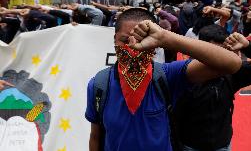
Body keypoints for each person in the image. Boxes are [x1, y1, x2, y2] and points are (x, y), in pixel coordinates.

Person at [85, 8, 242, 151]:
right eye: (125, 41)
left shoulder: (168, 75)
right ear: (114, 40)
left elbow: (232, 64)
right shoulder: (99, 85)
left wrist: (165, 37)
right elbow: (95, 136)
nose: (133, 48)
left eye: (141, 40)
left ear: (155, 45)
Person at [175, 25, 251, 151]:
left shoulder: (231, 74)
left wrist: (248, 46)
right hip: (189, 145)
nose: (218, 59)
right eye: (212, 52)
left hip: (222, 144)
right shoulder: (182, 73)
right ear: (200, 49)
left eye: (222, 52)